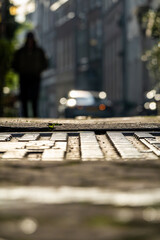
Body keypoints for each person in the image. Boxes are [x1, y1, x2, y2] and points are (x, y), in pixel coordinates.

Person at [12, 31, 48, 117]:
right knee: (24, 98)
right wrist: (20, 70)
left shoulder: (39, 51)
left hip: (35, 77)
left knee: (34, 98)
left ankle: (35, 116)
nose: (30, 41)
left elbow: (45, 63)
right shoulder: (20, 51)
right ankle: (25, 116)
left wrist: (39, 70)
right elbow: (14, 63)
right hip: (24, 77)